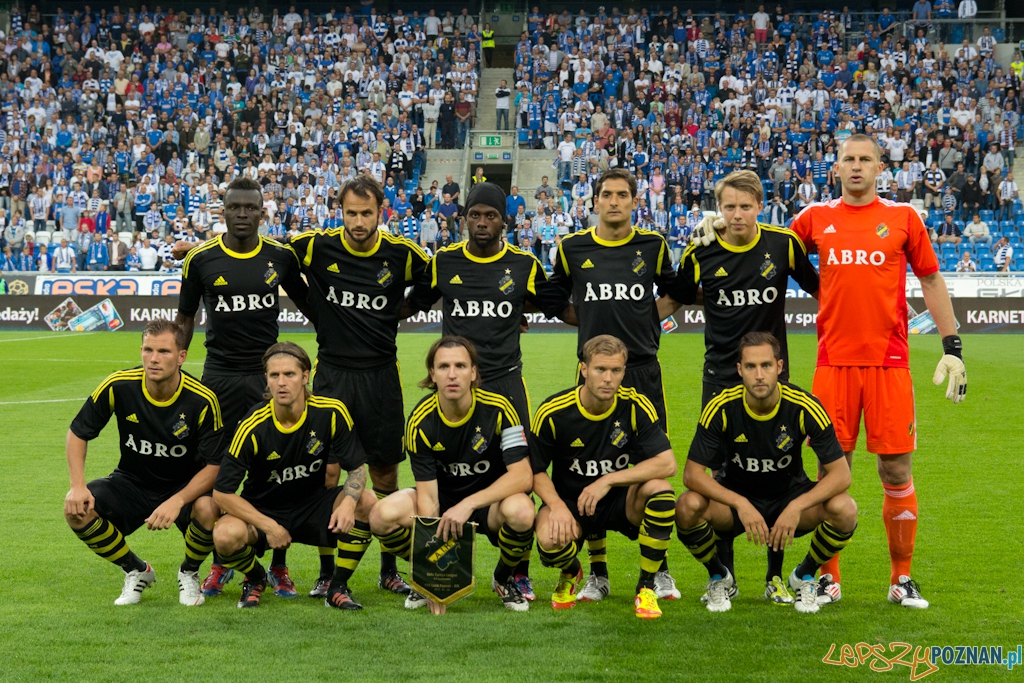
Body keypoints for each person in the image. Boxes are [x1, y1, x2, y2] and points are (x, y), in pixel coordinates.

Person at [789, 134, 966, 609]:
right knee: (834, 473)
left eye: (865, 159)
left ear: (880, 168)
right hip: (833, 364)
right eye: (848, 159)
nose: (856, 167)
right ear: (836, 167)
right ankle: (828, 579)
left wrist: (953, 348)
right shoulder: (813, 219)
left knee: (895, 467)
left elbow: (930, 278)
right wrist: (722, 229)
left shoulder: (903, 218)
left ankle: (901, 579)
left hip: (890, 365)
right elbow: (772, 253)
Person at [660, 170, 820, 603]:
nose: (736, 215)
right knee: (722, 475)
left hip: (771, 377)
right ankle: (724, 576)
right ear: (718, 209)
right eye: (728, 206)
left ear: (760, 206)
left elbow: (822, 288)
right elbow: (673, 296)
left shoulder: (783, 245)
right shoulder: (701, 253)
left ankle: (774, 577)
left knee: (779, 470)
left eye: (745, 206)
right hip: (720, 379)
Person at [406, 184, 565, 599]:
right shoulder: (444, 261)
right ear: (463, 218)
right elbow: (412, 302)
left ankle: (515, 572)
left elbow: (553, 304)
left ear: (504, 221)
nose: (481, 222)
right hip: (456, 386)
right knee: (445, 472)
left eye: (490, 216)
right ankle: (441, 571)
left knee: (518, 479)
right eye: (474, 215)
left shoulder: (524, 264)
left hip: (505, 384)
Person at [175, 177, 316, 600]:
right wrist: (177, 365)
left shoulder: (280, 257)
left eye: (249, 208)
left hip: (267, 379)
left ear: (261, 212)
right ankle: (222, 563)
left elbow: (312, 306)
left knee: (274, 470)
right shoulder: (200, 260)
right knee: (218, 469)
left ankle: (279, 565)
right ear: (223, 211)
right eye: (233, 207)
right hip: (217, 379)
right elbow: (184, 318)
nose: (241, 214)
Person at [290, 175, 430, 597]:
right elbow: (269, 258)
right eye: (350, 212)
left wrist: (399, 311)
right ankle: (325, 569)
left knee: (385, 470)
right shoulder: (317, 246)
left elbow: (435, 280)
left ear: (381, 213)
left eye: (366, 213)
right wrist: (313, 308)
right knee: (328, 472)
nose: (357, 221)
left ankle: (389, 571)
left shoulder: (403, 255)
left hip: (381, 376)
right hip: (332, 374)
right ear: (341, 211)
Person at [548, 167, 680, 602]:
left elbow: (677, 290)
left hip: (642, 369)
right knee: (588, 463)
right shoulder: (571, 248)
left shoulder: (653, 245)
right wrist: (585, 322)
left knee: (651, 465)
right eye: (607, 194)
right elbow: (553, 299)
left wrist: (648, 318)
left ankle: (659, 571)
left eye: (623, 195)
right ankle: (598, 572)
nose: (615, 202)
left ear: (634, 201)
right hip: (592, 372)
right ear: (595, 201)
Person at [675, 332, 857, 614]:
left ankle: (803, 575)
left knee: (845, 509)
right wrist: (740, 503)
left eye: (766, 366)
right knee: (687, 505)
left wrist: (797, 506)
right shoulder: (721, 406)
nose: (759, 375)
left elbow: (841, 476)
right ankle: (719, 576)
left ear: (779, 366)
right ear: (739, 370)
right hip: (736, 500)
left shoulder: (805, 406)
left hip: (789, 495)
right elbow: (691, 475)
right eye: (750, 367)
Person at [62, 320, 225, 607]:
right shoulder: (118, 385)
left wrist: (177, 500)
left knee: (208, 507)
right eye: (148, 350)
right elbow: (78, 432)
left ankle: (188, 572)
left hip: (185, 486)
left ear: (181, 356)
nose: (154, 358)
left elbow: (215, 465)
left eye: (163, 351)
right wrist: (77, 487)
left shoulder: (202, 400)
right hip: (131, 482)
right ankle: (136, 569)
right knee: (76, 510)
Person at [370, 337, 536, 614]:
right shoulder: (421, 420)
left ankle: (504, 578)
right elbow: (428, 498)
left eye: (460, 365)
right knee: (380, 516)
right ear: (432, 374)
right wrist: (434, 577)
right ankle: (423, 578)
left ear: (473, 372)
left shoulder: (500, 408)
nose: (452, 374)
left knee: (522, 512)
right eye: (443, 366)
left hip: (488, 503)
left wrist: (469, 503)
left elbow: (522, 476)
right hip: (443, 500)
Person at [212, 342, 377, 610]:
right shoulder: (252, 425)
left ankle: (337, 587)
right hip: (264, 508)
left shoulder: (331, 412)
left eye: (289, 374)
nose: (281, 382)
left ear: (305, 376)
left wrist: (348, 502)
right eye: (274, 375)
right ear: (266, 379)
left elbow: (357, 468)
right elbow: (222, 493)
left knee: (366, 502)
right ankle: (255, 578)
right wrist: (269, 526)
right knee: (224, 536)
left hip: (312, 505)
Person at [530, 335, 677, 619]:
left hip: (620, 503)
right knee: (548, 542)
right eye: (600, 370)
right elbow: (534, 470)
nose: (608, 378)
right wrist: (557, 507)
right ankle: (573, 571)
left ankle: (646, 588)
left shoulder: (636, 405)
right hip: (572, 503)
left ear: (624, 371)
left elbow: (667, 463)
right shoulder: (553, 412)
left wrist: (607, 480)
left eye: (616, 371)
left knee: (660, 489)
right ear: (584, 369)